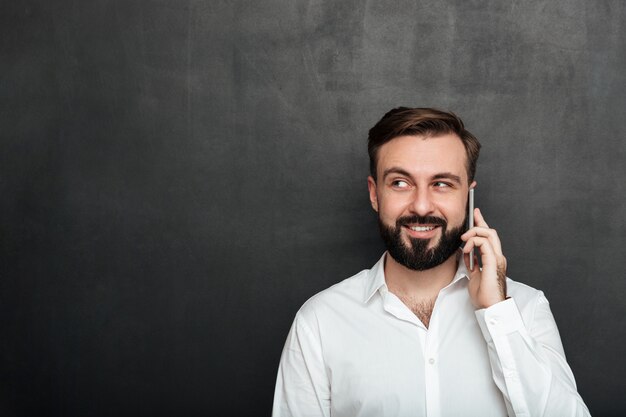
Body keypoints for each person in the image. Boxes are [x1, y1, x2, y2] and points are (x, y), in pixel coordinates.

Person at [272, 107, 590, 417]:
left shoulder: (526, 309)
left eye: (442, 184)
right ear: (374, 193)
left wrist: (497, 314)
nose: (422, 205)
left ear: (467, 195)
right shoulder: (319, 323)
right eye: (400, 183)